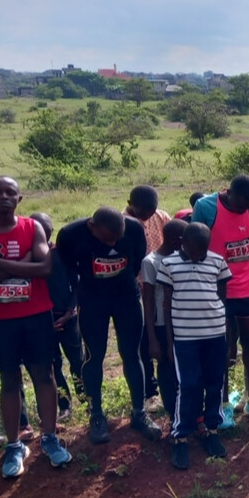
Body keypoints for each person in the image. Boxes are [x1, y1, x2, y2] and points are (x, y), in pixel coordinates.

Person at [57, 206, 161, 444]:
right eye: (106, 239)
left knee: (132, 353)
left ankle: (139, 413)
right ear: (92, 226)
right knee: (94, 356)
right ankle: (96, 415)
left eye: (117, 238)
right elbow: (69, 265)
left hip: (127, 298)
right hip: (92, 301)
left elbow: (136, 261)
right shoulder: (71, 234)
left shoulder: (134, 229)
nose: (113, 243)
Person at [0, 177, 72, 476]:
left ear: (20, 199)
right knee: (9, 380)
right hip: (2, 320)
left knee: (45, 375)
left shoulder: (32, 227)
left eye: (10, 193)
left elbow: (45, 268)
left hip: (36, 315)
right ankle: (14, 445)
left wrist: (4, 265)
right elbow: (35, 266)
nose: (4, 197)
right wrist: (26, 261)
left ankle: (50, 438)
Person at [191, 175, 249, 423]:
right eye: (241, 206)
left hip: (247, 287)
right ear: (229, 193)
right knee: (221, 347)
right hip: (217, 290)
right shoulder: (206, 208)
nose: (244, 210)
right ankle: (222, 405)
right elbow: (196, 248)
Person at [158, 221, 231, 470]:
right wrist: (170, 342)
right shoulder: (168, 264)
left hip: (215, 335)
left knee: (215, 382)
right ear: (184, 244)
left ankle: (211, 429)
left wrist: (225, 334)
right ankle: (180, 435)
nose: (200, 255)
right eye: (196, 250)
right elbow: (166, 305)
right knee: (188, 385)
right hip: (185, 338)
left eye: (204, 250)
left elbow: (222, 299)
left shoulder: (217, 262)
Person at [30, 212, 84, 424]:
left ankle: (86, 400)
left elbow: (77, 284)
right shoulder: (28, 258)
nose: (42, 234)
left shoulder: (62, 254)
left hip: (67, 318)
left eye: (45, 230)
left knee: (77, 361)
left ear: (51, 231)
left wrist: (70, 311)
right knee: (53, 365)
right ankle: (64, 405)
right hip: (42, 320)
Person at [127, 185, 171, 405]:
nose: (147, 215)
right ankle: (149, 392)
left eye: (151, 210)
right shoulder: (122, 223)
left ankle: (168, 385)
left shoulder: (161, 217)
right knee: (143, 341)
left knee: (163, 336)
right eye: (143, 211)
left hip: (163, 288)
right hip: (137, 289)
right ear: (130, 205)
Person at [142, 219, 186, 422]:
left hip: (182, 321)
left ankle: (185, 407)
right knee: (167, 366)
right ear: (176, 240)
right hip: (161, 324)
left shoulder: (182, 257)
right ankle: (171, 410)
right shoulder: (150, 262)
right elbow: (148, 299)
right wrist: (151, 338)